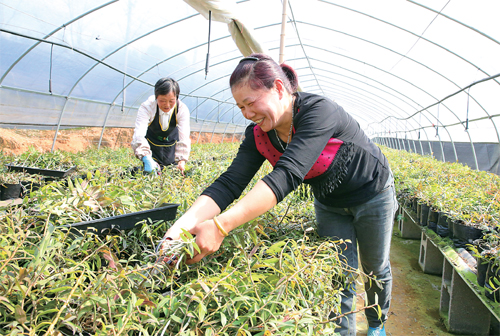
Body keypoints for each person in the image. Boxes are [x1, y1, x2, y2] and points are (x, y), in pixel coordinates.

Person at [161, 53, 397, 336]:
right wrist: (179, 230)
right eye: (240, 107)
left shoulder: (319, 111)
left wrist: (221, 226)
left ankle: (376, 325)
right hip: (330, 201)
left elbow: (287, 174)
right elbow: (228, 184)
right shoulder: (259, 133)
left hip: (372, 193)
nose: (248, 114)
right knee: (340, 273)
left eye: (250, 103)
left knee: (375, 268)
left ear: (279, 88)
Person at [131, 77, 191, 174]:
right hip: (152, 146)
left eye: (171, 101)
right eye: (163, 100)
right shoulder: (147, 107)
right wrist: (146, 157)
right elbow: (139, 134)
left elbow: (184, 136)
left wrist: (181, 160)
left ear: (177, 97)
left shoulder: (182, 109)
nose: (167, 105)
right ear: (156, 97)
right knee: (150, 173)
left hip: (171, 145)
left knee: (170, 171)